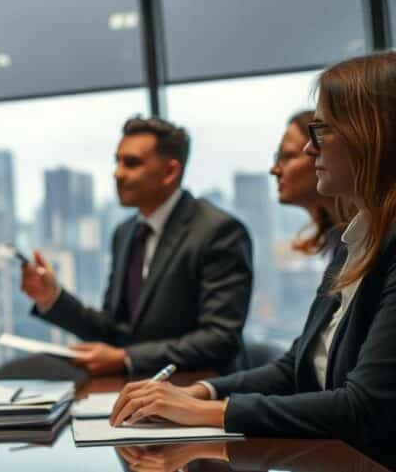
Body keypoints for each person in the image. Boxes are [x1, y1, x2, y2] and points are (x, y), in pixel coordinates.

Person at [110, 53, 396, 469]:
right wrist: (202, 392)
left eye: (323, 130)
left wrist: (208, 412)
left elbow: (363, 408)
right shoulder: (356, 241)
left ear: (372, 135)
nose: (311, 147)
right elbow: (296, 367)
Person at [20, 117, 253, 375]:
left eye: (131, 163)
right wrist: (51, 297)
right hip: (139, 389)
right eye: (117, 161)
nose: (117, 173)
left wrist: (126, 358)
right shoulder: (125, 233)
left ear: (170, 172)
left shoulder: (218, 231)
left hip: (202, 388)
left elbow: (220, 338)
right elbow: (113, 329)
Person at [272, 110, 341, 259]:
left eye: (288, 156)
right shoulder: (338, 239)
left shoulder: (364, 241)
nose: (274, 170)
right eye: (277, 158)